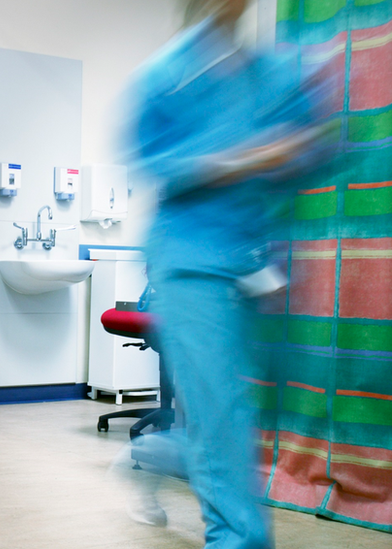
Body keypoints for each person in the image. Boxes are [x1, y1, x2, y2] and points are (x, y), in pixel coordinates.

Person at [121, 0, 335, 547]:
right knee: (220, 412)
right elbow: (153, 162)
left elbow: (319, 142)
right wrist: (245, 159)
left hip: (257, 260)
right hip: (192, 263)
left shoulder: (273, 69)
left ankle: (151, 454)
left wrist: (304, 146)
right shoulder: (165, 74)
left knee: (241, 412)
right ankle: (236, 539)